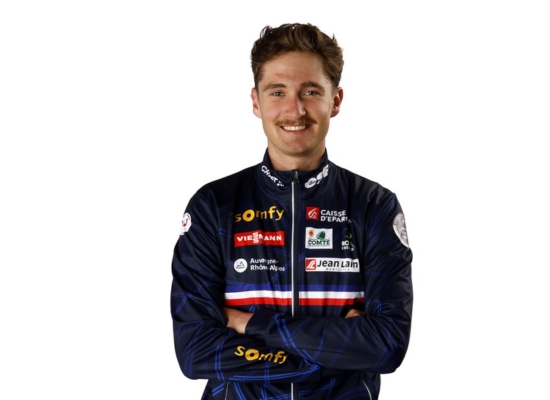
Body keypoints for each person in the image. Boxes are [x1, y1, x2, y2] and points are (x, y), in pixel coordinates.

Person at [171, 23, 413, 400]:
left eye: (311, 91)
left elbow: (387, 345)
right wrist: (338, 352)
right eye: (277, 91)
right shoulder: (213, 205)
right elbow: (195, 351)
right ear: (256, 102)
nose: (294, 109)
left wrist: (251, 323)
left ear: (335, 100)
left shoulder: (374, 206)